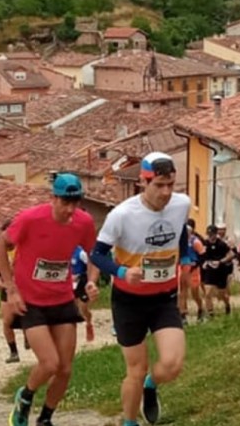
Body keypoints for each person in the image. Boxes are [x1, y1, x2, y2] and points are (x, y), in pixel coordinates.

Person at [89, 152, 190, 426]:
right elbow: (97, 254)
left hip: (164, 297)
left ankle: (151, 384)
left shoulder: (182, 204)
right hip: (129, 300)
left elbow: (180, 230)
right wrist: (122, 272)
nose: (166, 192)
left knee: (172, 364)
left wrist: (185, 257)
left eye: (171, 185)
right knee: (135, 369)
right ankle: (129, 421)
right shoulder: (121, 215)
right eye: (159, 185)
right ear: (143, 183)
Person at [0, 173, 98, 426]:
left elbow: (94, 253)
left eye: (75, 202)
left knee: (65, 369)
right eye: (65, 202)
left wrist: (92, 280)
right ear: (53, 198)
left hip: (62, 299)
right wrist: (11, 288)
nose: (70, 209)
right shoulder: (30, 219)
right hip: (30, 301)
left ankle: (45, 418)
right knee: (50, 363)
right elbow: (0, 246)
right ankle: (26, 396)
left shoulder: (83, 222)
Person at [0, 219, 27, 363]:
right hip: (7, 288)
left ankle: (28, 336)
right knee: (7, 321)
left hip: (24, 288)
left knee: (27, 316)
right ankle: (13, 352)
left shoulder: (23, 248)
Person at [201, 225, 233, 317]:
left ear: (216, 234)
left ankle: (227, 305)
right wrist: (204, 262)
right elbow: (201, 254)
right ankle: (210, 313)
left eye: (212, 234)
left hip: (221, 271)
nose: (210, 236)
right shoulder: (205, 243)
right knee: (207, 292)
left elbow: (231, 254)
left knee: (221, 294)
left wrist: (221, 261)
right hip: (210, 270)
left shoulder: (221, 244)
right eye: (209, 234)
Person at [178, 219, 206, 325]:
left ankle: (200, 309)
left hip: (193, 269)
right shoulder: (179, 242)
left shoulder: (195, 241)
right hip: (182, 268)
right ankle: (183, 315)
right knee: (182, 292)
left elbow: (202, 255)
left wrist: (196, 264)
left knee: (195, 293)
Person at [71, 245, 97, 342]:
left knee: (83, 308)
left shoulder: (81, 252)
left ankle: (89, 324)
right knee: (72, 308)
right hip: (71, 283)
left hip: (82, 282)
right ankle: (71, 333)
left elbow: (91, 266)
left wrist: (88, 279)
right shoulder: (65, 250)